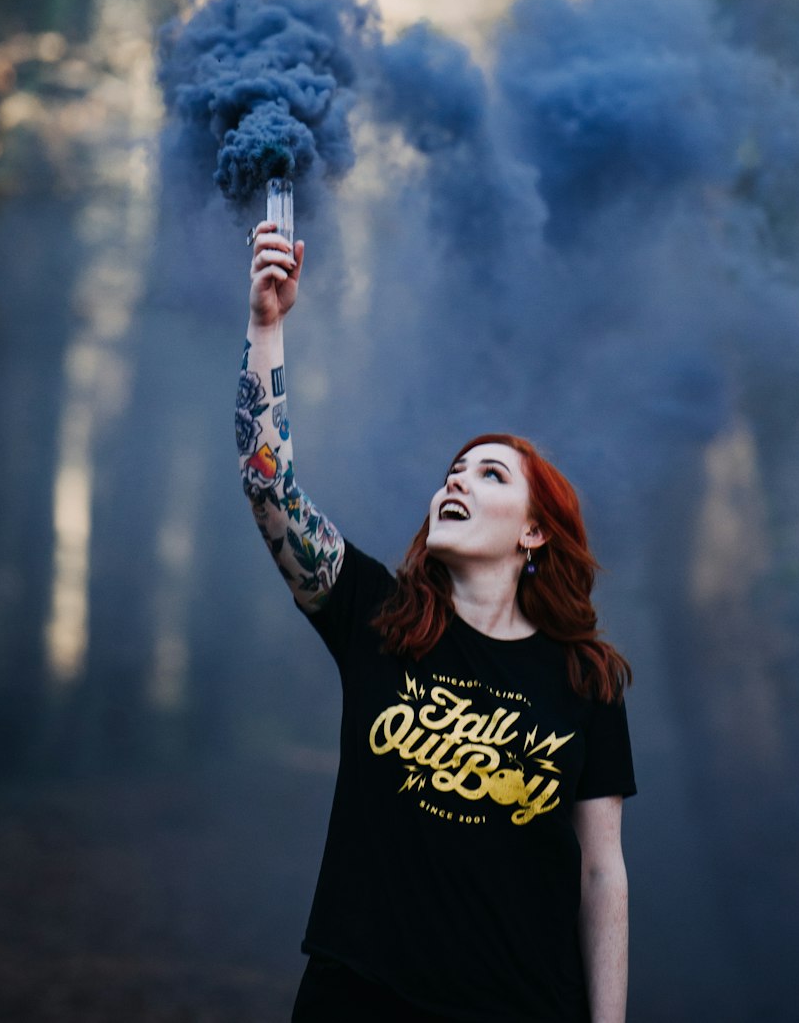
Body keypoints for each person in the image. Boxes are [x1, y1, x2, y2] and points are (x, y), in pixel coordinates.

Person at [238, 220, 636, 1023]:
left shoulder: (585, 677)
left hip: (522, 1005)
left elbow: (602, 875)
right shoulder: (378, 615)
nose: (457, 481)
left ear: (534, 532)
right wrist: (267, 327)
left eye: (490, 475)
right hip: (359, 996)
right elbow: (267, 483)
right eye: (454, 471)